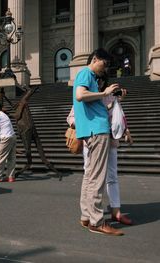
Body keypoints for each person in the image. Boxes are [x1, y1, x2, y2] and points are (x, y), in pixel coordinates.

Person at [67, 74, 133, 226]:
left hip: (110, 141)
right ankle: (90, 212)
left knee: (112, 176)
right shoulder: (86, 96)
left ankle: (116, 211)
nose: (99, 82)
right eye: (97, 80)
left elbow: (119, 116)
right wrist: (84, 123)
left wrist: (126, 130)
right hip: (91, 140)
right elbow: (71, 118)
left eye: (102, 80)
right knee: (90, 175)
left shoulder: (110, 97)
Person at [73, 48, 122, 236]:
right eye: (105, 63)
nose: (105, 68)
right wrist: (104, 93)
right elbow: (80, 95)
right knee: (97, 177)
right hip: (97, 130)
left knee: (90, 175)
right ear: (95, 59)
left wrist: (108, 98)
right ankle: (97, 221)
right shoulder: (86, 73)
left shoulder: (90, 77)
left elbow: (87, 99)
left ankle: (87, 216)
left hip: (91, 129)